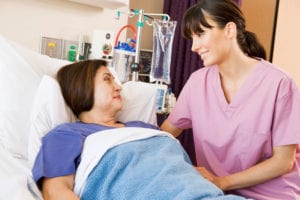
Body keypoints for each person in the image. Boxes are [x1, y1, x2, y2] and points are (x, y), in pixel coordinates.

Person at [32, 59, 247, 200]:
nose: (118, 86)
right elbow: (55, 191)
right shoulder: (66, 134)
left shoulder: (143, 128)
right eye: (107, 80)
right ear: (81, 88)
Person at [161, 0, 300, 199]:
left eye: (200, 34)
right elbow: (166, 133)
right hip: (216, 193)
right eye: (192, 38)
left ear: (229, 30)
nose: (194, 47)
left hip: (272, 194)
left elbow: (283, 162)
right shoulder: (198, 83)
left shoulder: (280, 84)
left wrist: (223, 181)